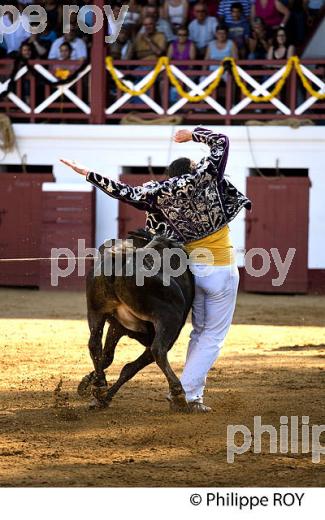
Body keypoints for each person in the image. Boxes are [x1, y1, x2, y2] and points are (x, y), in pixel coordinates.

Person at [60, 127, 252, 413]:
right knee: (212, 335)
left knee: (198, 332)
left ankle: (188, 390)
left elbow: (121, 191)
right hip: (221, 268)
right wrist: (192, 135)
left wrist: (88, 173)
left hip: (189, 270)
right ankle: (189, 393)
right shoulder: (205, 177)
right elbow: (221, 141)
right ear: (191, 169)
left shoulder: (158, 192)